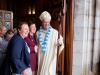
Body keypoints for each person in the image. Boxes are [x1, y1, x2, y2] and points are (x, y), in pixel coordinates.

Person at [36, 11, 64, 75]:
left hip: (50, 57)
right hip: (41, 58)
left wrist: (60, 43)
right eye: (45, 22)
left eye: (48, 22)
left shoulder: (55, 32)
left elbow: (61, 44)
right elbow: (36, 45)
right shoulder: (38, 33)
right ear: (42, 22)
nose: (47, 24)